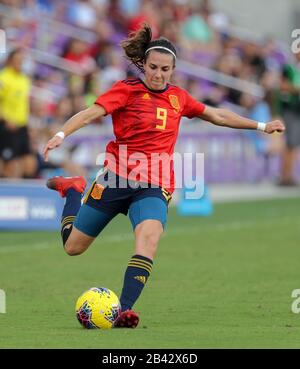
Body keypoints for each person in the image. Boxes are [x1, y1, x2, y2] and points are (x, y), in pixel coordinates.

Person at [42, 24, 285, 328]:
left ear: (173, 70)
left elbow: (218, 115)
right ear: (144, 65)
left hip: (155, 185)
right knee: (72, 247)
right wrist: (61, 133)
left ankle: (123, 311)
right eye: (153, 67)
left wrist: (262, 126)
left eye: (165, 69)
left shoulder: (179, 98)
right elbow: (91, 113)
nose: (158, 74)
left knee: (148, 240)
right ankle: (74, 190)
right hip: (115, 179)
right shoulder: (126, 90)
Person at [0, 48, 37, 178]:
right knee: (7, 164)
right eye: (17, 60)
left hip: (22, 126)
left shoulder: (24, 79)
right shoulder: (3, 78)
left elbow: (24, 104)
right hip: (7, 127)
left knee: (29, 163)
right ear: (10, 61)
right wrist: (5, 120)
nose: (20, 63)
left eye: (22, 61)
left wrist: (28, 123)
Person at [276, 51, 300, 186]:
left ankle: (288, 175)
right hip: (290, 109)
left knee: (294, 143)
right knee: (290, 143)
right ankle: (285, 175)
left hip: (297, 110)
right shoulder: (288, 68)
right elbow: (282, 86)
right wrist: (296, 89)